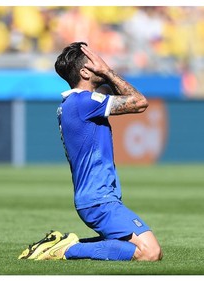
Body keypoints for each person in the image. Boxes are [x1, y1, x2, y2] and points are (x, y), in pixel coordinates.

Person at [19, 42, 163, 262]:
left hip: (97, 197)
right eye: (95, 61)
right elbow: (139, 102)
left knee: (129, 247)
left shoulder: (74, 103)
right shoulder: (83, 102)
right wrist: (107, 71)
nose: (102, 63)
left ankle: (60, 244)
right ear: (85, 71)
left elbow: (125, 98)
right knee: (150, 253)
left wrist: (105, 74)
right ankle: (66, 250)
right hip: (99, 199)